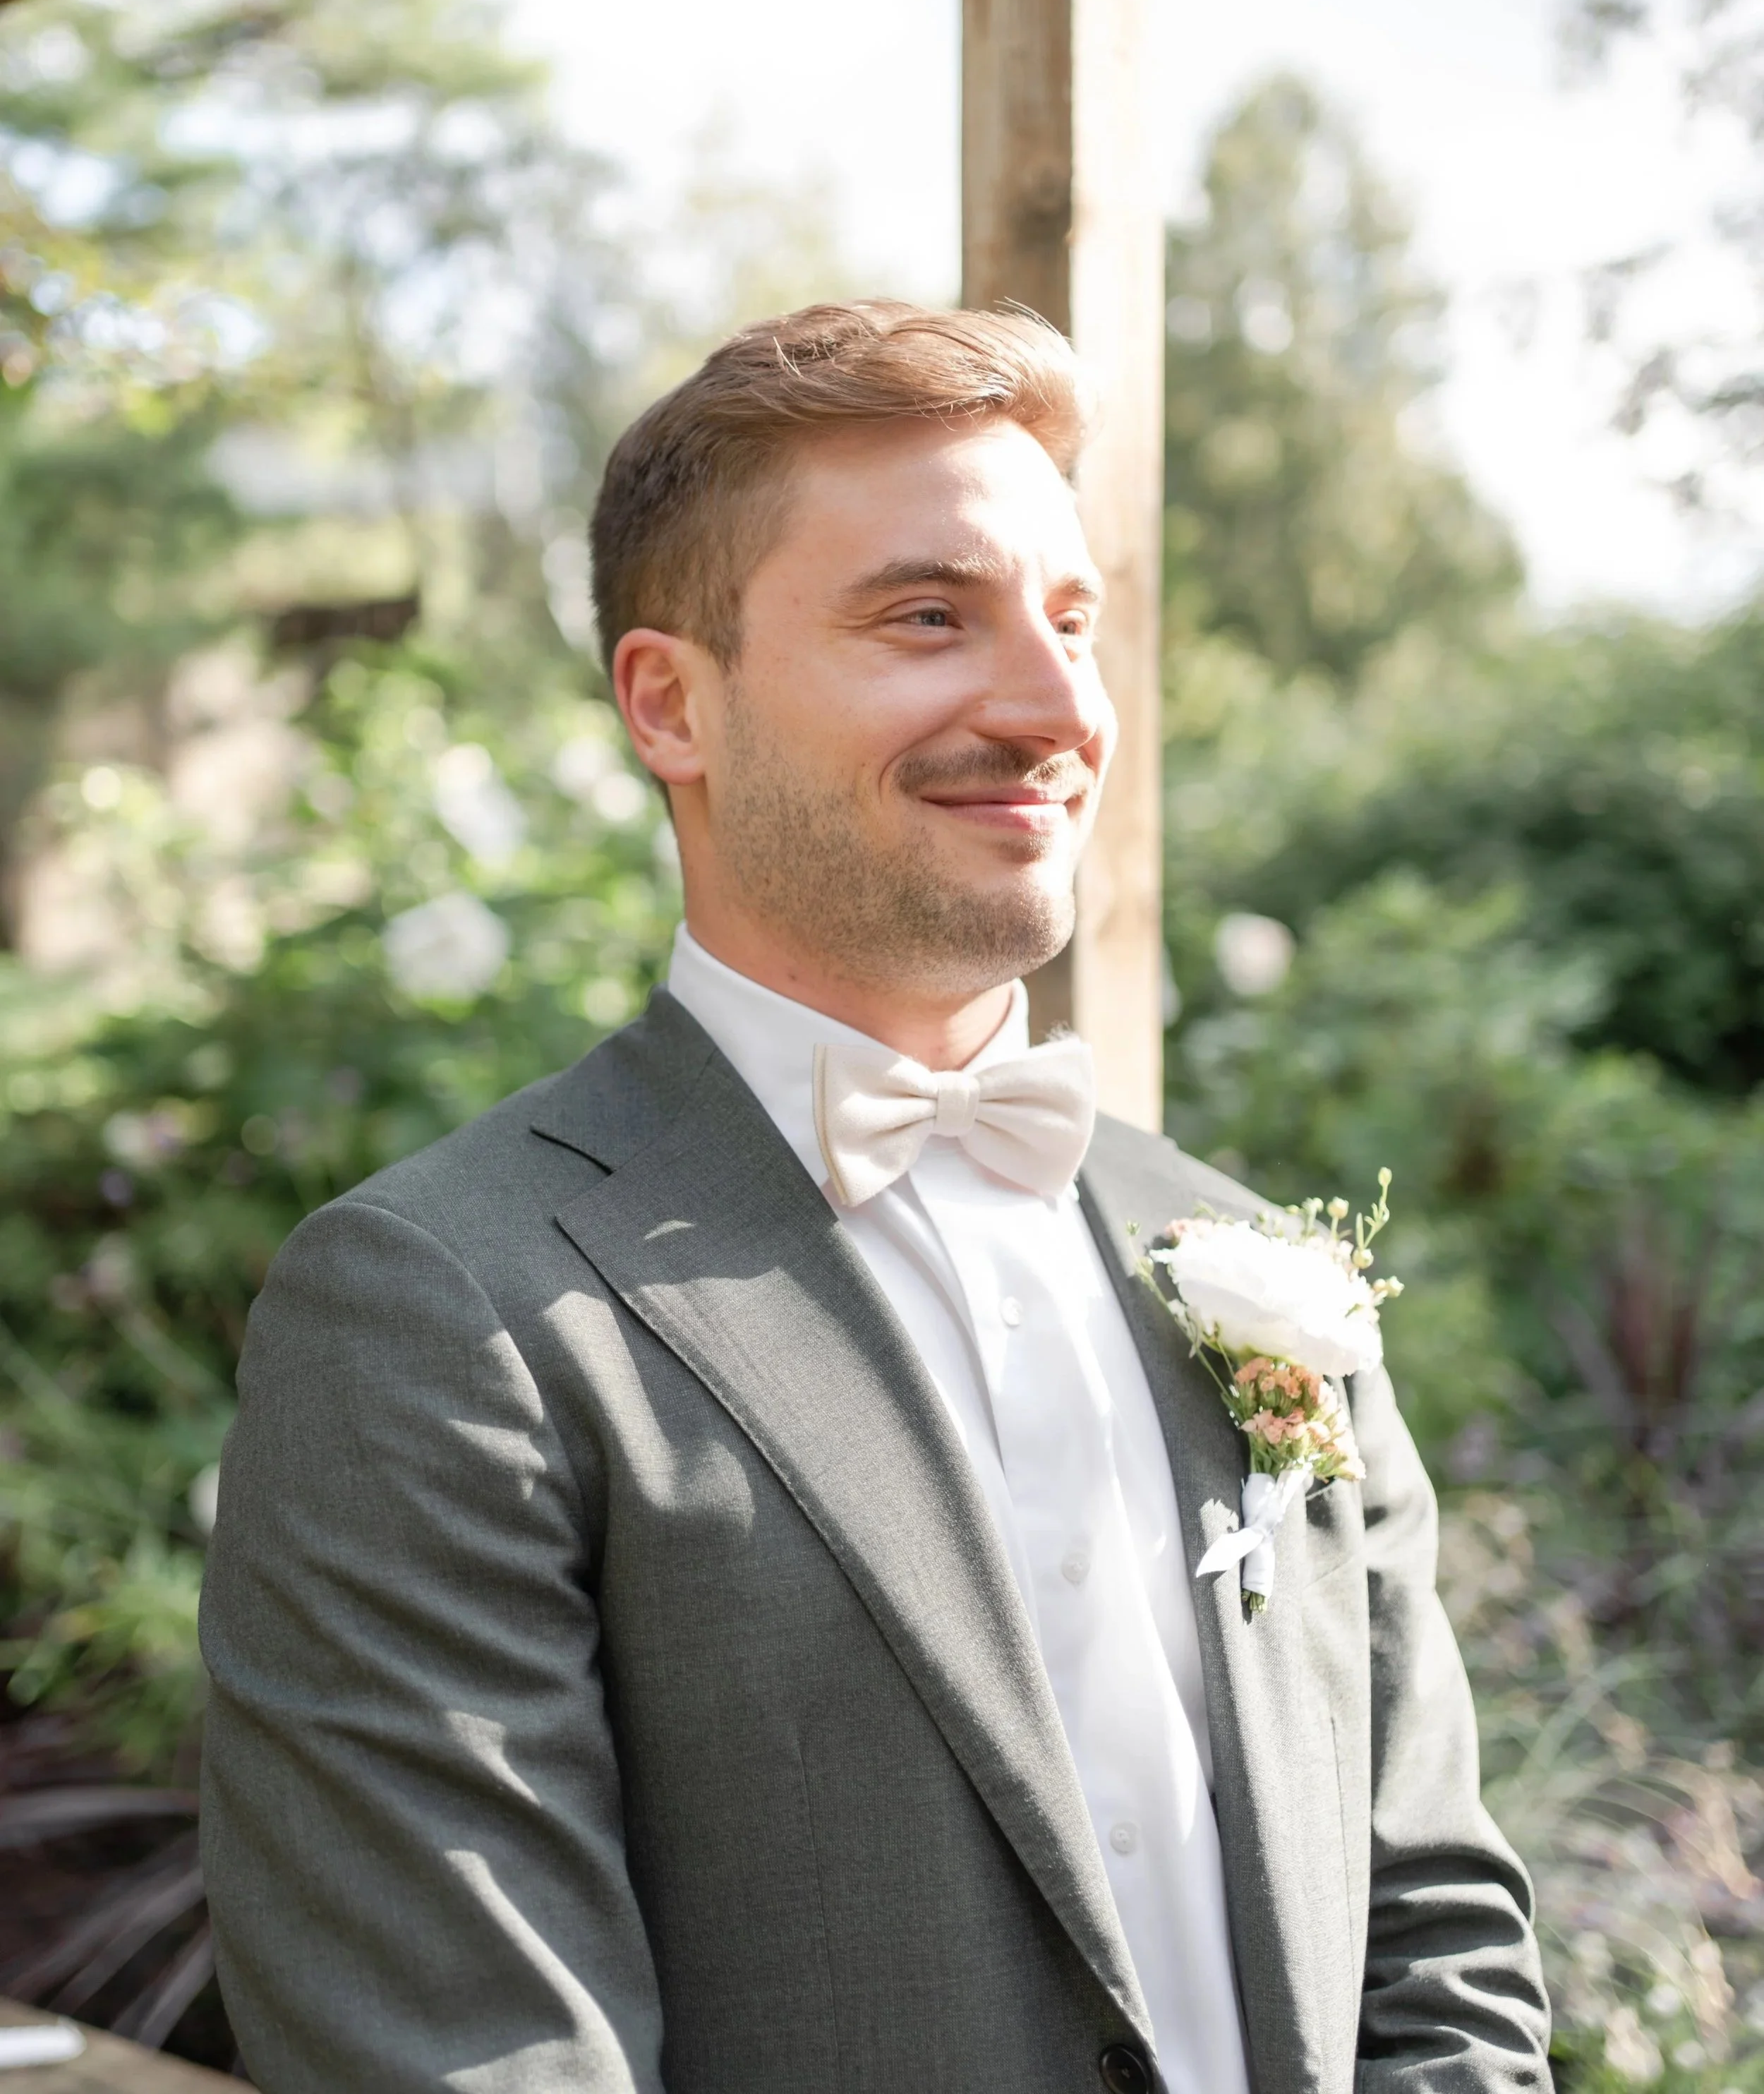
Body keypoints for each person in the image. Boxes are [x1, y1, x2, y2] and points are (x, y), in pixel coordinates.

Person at [200, 301, 1550, 2094]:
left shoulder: (1252, 1263)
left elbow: (1436, 1935)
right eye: (928, 616)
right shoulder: (445, 1309)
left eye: (1071, 623)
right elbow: (472, 2056)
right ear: (671, 701)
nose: (1054, 704)